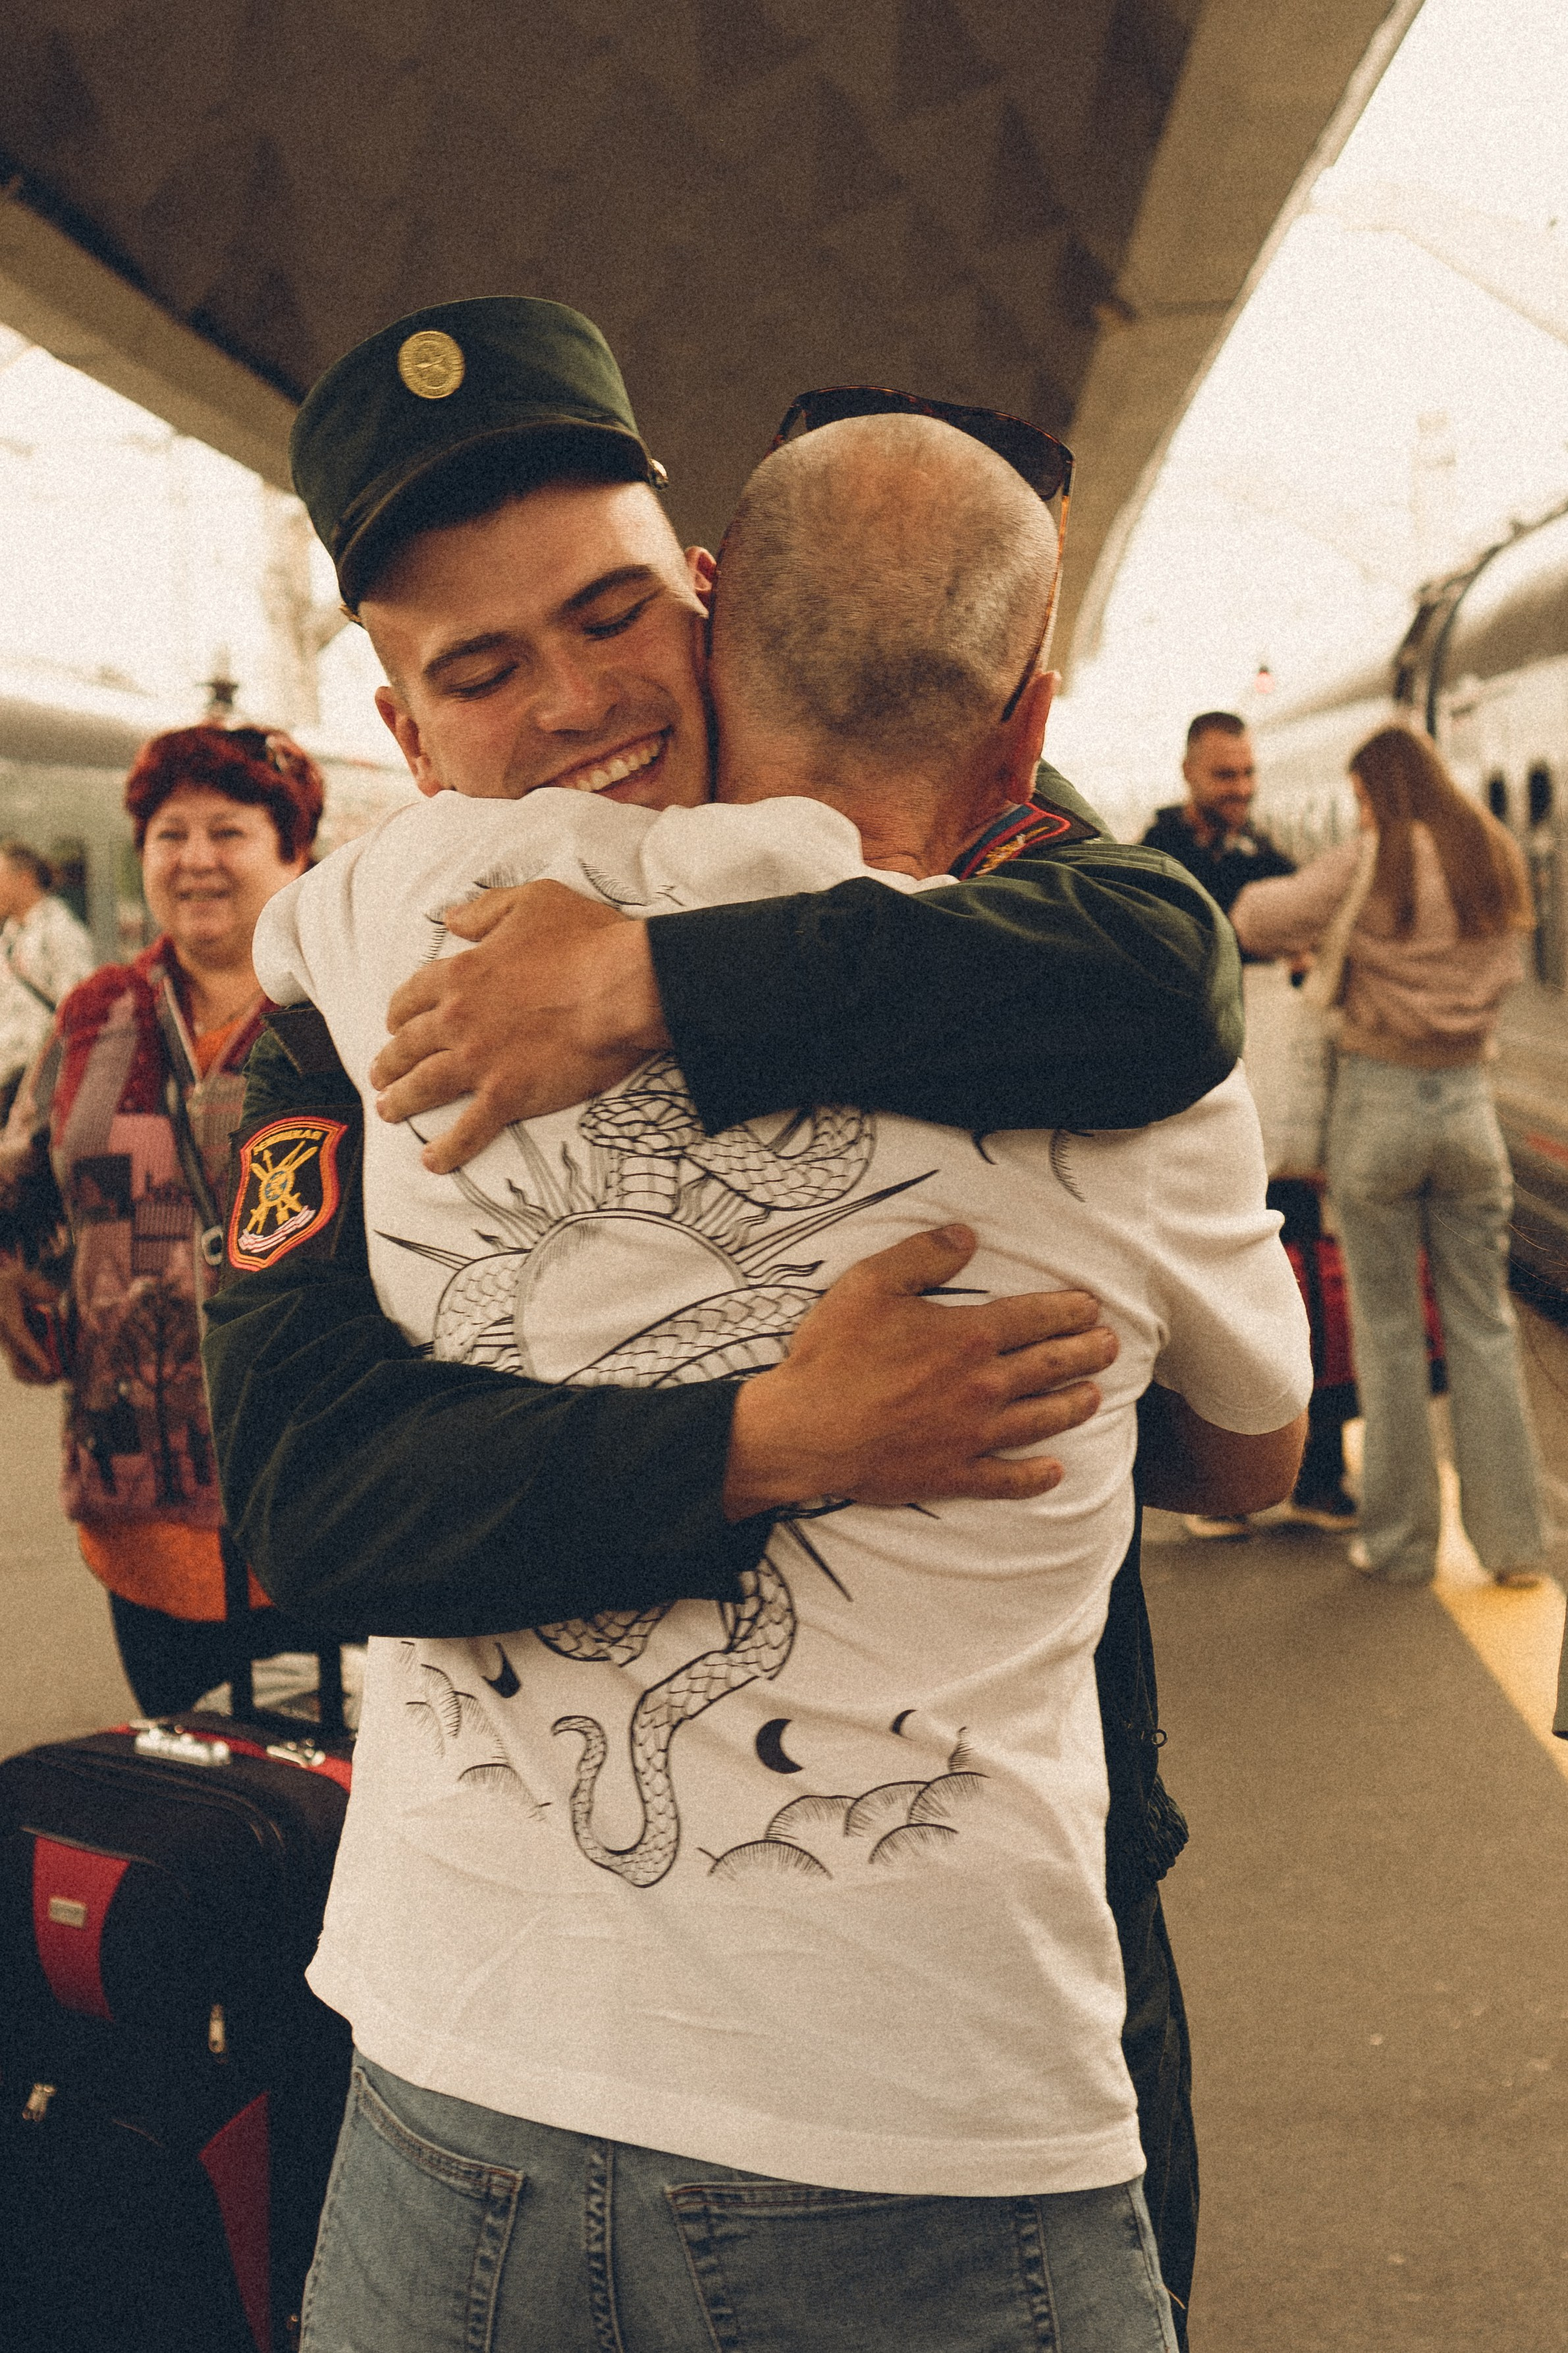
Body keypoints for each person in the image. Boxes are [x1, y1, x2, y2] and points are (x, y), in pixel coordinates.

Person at [202, 300, 1249, 2337]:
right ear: (407, 737)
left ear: (704, 597)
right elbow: (315, 1503)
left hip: (969, 2034)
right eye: (483, 670)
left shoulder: (960, 887)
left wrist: (655, 985)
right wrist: (768, 1438)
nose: (578, 700)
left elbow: (1161, 966)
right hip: (477, 2072)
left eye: (610, 616)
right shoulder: (339, 1021)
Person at [0, 725, 330, 1711]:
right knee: (190, 1775)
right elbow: (24, 1191)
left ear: (293, 851)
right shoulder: (95, 1015)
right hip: (137, 1494)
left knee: (336, 1789)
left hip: (328, 1492)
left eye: (228, 831)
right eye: (168, 834)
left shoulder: (346, 1008)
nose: (194, 859)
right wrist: (39, 1312)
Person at [1232, 724, 1545, 1590]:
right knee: (1484, 1324)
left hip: (1379, 1105)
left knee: (1389, 1330)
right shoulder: (1491, 854)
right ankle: (1515, 1547)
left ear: (1378, 791)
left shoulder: (1372, 860)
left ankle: (1401, 1544)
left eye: (1361, 797)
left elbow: (1257, 918)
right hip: (1468, 1105)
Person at [1141, 711, 1295, 927]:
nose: (1242, 789)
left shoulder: (1262, 857)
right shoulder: (1153, 865)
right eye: (1225, 775)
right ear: (1188, 772)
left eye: (1249, 773)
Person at [0, 839, 94, 1128]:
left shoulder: (61, 930)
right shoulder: (11, 935)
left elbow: (78, 1011)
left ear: (25, 879)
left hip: (37, 1087)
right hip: (8, 1080)